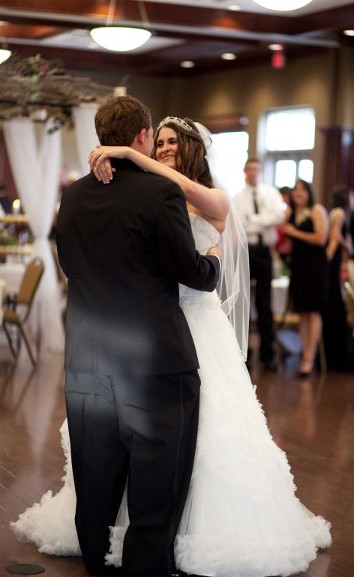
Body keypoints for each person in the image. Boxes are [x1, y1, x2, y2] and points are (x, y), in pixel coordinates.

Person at [12, 115, 332, 577]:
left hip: (191, 328)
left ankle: (175, 541)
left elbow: (187, 211)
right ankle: (133, 541)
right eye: (156, 141)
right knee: (137, 445)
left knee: (180, 444)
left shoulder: (206, 196)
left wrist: (129, 155)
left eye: (171, 142)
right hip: (154, 326)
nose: (162, 149)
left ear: (192, 148)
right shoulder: (150, 192)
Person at [34, 97, 222, 577]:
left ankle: (97, 562)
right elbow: (191, 272)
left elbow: (71, 266)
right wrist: (215, 262)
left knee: (94, 478)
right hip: (156, 364)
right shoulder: (159, 194)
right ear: (142, 137)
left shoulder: (72, 196)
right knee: (157, 485)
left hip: (88, 359)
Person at [232, 158, 285, 372]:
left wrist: (253, 219)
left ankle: (267, 353)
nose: (253, 172)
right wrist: (262, 220)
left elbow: (278, 217)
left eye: (256, 169)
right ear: (244, 171)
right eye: (249, 169)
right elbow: (238, 223)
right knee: (243, 302)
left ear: (261, 171)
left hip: (264, 251)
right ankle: (243, 352)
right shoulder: (237, 197)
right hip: (246, 251)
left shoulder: (271, 194)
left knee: (265, 304)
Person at [284, 179, 329, 378]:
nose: (299, 193)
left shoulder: (317, 210)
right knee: (301, 312)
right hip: (298, 267)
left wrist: (295, 232)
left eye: (303, 190)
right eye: (296, 190)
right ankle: (304, 352)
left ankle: (310, 357)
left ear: (310, 192)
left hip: (315, 267)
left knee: (313, 311)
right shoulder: (291, 213)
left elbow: (321, 239)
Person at [323, 185, 354, 371]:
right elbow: (334, 238)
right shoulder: (341, 213)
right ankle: (337, 355)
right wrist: (348, 248)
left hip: (333, 261)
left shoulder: (333, 211)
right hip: (333, 261)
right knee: (335, 303)